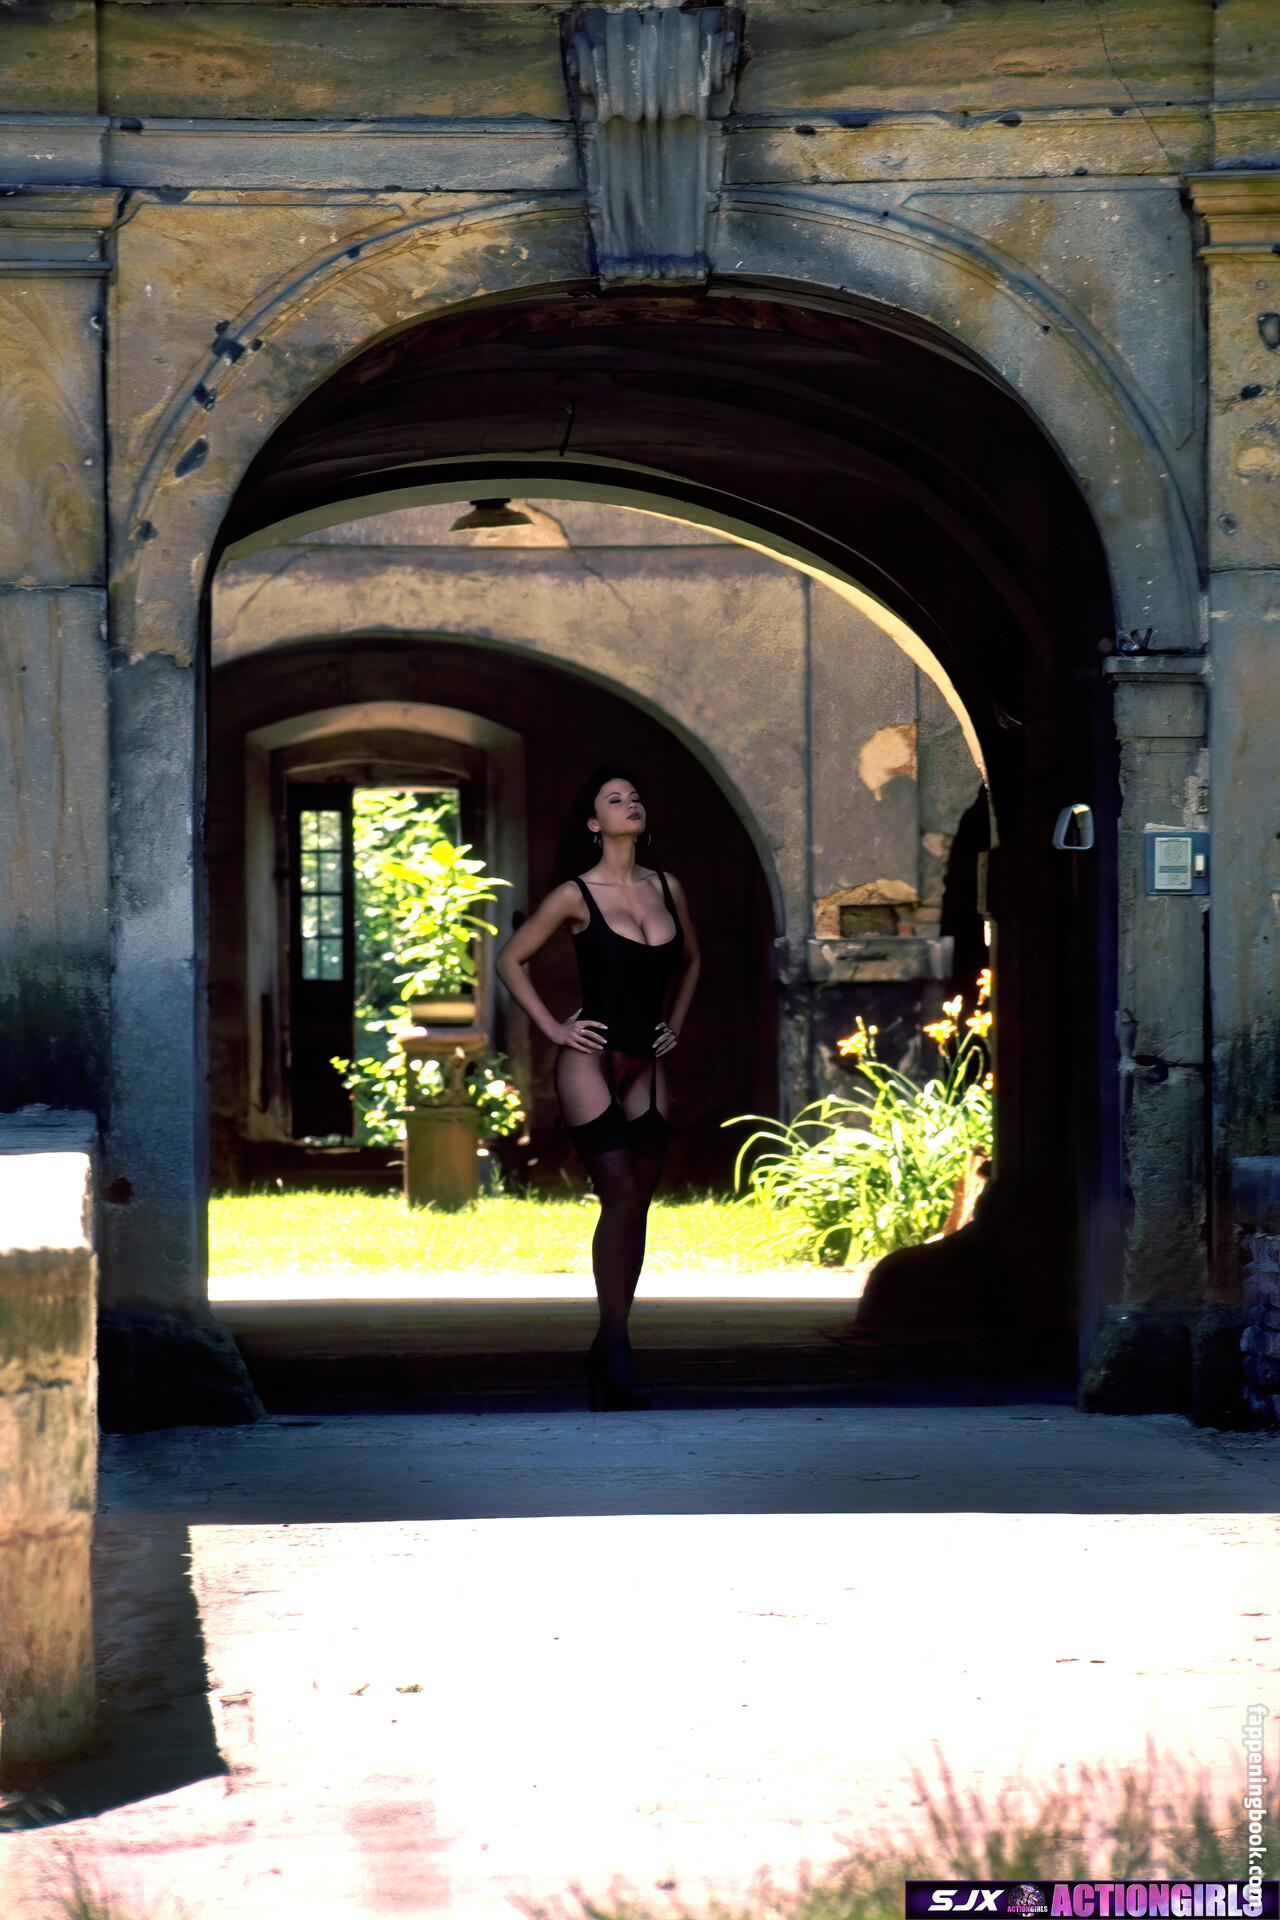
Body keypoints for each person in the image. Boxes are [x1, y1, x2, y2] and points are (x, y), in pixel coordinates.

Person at [496, 768, 701, 1410]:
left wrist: (676, 1026)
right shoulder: (574, 894)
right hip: (591, 1059)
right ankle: (614, 1348)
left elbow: (692, 960)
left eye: (636, 796)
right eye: (615, 799)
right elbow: (509, 959)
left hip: (649, 1062)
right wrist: (555, 1028)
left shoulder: (667, 886)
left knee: (638, 1203)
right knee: (620, 1197)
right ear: (594, 823)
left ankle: (608, 1347)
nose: (630, 803)